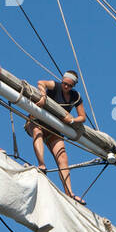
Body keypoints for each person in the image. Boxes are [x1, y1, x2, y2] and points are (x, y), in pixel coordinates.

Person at [28, 70, 87, 205]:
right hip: (38, 119)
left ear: (73, 86)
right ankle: (42, 164)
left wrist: (72, 120)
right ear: (62, 81)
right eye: (65, 83)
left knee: (62, 156)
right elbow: (41, 83)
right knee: (38, 132)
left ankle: (69, 192)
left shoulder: (75, 96)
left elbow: (82, 117)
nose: (66, 87)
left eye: (69, 86)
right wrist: (43, 96)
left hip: (54, 127)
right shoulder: (55, 86)